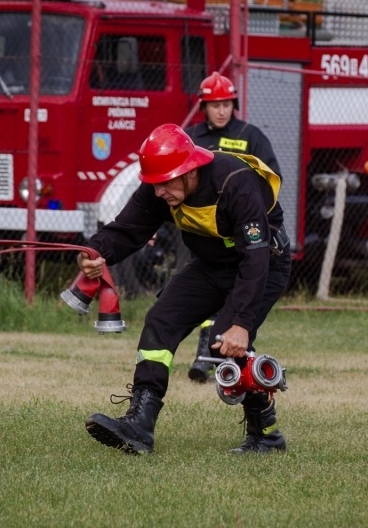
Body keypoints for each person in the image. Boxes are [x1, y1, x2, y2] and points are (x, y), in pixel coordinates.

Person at [77, 123, 291, 455]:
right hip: (210, 265)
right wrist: (95, 252)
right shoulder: (160, 186)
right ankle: (140, 424)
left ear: (190, 170)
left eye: (165, 184)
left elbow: (255, 257)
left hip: (263, 262)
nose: (160, 193)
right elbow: (127, 229)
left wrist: (242, 323)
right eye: (155, 186)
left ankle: (267, 434)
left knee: (225, 342)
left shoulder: (236, 182)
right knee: (161, 321)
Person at [183, 71, 282, 383]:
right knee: (202, 292)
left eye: (226, 104)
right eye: (215, 105)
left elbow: (271, 179)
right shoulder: (191, 138)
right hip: (198, 234)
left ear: (233, 104)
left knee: (237, 292)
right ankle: (210, 352)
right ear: (205, 107)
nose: (221, 110)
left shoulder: (251, 136)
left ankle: (216, 357)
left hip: (240, 234)